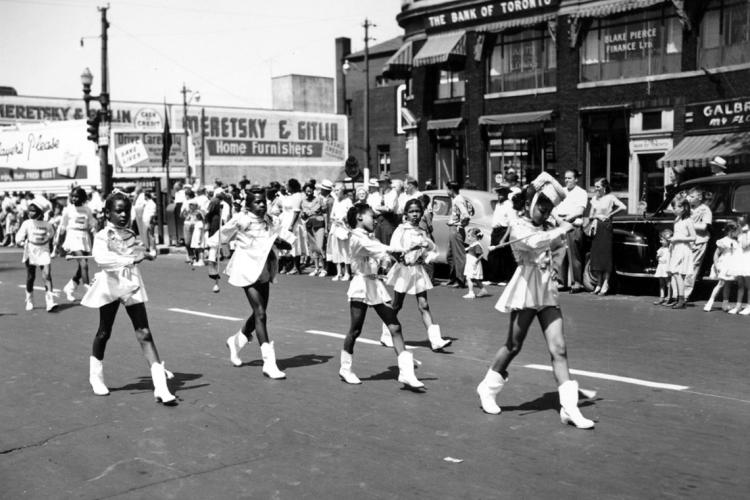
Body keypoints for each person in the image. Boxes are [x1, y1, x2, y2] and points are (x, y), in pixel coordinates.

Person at [476, 172, 595, 429]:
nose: (545, 212)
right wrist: (560, 230)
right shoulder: (518, 224)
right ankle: (487, 387)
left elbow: (558, 247)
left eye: (549, 207)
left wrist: (557, 257)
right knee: (514, 345)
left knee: (559, 348)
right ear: (530, 202)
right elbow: (531, 243)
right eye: (542, 206)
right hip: (526, 287)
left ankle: (569, 408)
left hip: (546, 288)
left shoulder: (549, 225)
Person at [80, 191, 176, 405]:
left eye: (126, 211)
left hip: (131, 283)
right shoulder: (102, 235)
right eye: (118, 211)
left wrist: (147, 254)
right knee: (104, 331)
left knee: (144, 332)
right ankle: (96, 376)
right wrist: (131, 258)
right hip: (110, 284)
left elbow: (137, 251)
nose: (123, 215)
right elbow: (102, 259)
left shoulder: (131, 234)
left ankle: (160, 386)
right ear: (107, 213)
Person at [338, 203, 423, 389]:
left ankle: (406, 373)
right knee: (355, 330)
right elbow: (377, 248)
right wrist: (398, 251)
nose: (375, 220)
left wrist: (391, 259)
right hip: (361, 285)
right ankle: (345, 368)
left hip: (376, 284)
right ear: (359, 217)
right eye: (371, 216)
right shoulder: (356, 238)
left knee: (394, 326)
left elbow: (380, 254)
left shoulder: (370, 237)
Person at [215, 186, 294, 378]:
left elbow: (277, 238)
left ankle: (236, 341)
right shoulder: (242, 220)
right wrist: (211, 264)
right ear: (248, 204)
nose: (261, 205)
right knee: (260, 313)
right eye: (257, 202)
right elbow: (218, 237)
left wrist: (282, 242)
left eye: (263, 202)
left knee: (259, 313)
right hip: (245, 268)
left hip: (263, 268)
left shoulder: (269, 219)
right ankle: (269, 362)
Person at [383, 198, 451, 351]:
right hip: (404, 271)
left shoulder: (422, 231)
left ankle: (435, 340)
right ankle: (386, 334)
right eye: (412, 211)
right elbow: (393, 250)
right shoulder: (401, 230)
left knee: (424, 305)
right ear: (406, 213)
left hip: (418, 271)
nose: (415, 214)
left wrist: (425, 256)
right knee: (397, 304)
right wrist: (404, 256)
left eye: (417, 211)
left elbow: (432, 250)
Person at [16, 198, 57, 312]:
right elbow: (18, 237)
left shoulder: (47, 224)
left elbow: (52, 233)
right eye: (29, 210)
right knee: (31, 276)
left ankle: (50, 301)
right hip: (31, 251)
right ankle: (29, 299)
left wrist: (47, 240)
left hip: (43, 250)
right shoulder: (27, 223)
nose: (30, 213)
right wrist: (22, 242)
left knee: (47, 275)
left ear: (40, 211)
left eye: (33, 211)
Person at [58, 187, 97, 302]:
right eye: (73, 196)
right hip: (73, 237)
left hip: (84, 237)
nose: (74, 198)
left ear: (82, 197)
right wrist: (58, 245)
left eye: (77, 196)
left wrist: (95, 232)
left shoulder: (87, 210)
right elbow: (62, 227)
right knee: (84, 264)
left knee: (82, 267)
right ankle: (88, 290)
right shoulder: (67, 210)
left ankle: (69, 288)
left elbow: (91, 223)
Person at [587, 178, 626, 295]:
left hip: (606, 227)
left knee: (605, 254)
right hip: (597, 226)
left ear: (604, 187)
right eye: (595, 186)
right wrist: (596, 216)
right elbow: (590, 215)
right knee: (597, 254)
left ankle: (606, 283)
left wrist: (609, 214)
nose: (596, 189)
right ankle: (598, 283)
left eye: (598, 186)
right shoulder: (594, 199)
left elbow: (623, 207)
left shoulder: (610, 198)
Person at [552, 169, 588, 293]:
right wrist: (558, 219)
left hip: (573, 225)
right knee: (560, 255)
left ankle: (576, 283)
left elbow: (580, 211)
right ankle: (561, 282)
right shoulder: (561, 192)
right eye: (566, 178)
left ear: (576, 179)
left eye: (570, 178)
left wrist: (567, 219)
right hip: (560, 225)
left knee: (574, 256)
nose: (567, 180)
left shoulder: (581, 193)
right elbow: (554, 208)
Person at [666, 197, 696, 309]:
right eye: (673, 207)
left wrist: (678, 239)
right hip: (676, 248)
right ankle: (679, 298)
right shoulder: (677, 219)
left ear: (684, 208)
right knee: (675, 273)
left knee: (676, 272)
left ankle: (681, 299)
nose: (674, 210)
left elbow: (693, 237)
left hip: (683, 248)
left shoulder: (688, 221)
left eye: (676, 207)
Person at [684, 187, 712, 301]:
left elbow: (704, 226)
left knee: (692, 268)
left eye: (691, 196)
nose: (688, 198)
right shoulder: (687, 208)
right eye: (688, 196)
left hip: (698, 241)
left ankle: (685, 294)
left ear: (699, 197)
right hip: (686, 241)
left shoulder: (705, 210)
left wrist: (688, 224)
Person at [704, 221, 739, 312]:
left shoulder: (736, 241)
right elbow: (716, 254)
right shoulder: (723, 241)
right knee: (721, 283)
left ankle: (725, 304)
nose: (738, 233)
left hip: (732, 265)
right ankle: (710, 302)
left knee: (728, 284)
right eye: (736, 231)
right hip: (724, 264)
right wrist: (716, 265)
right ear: (731, 231)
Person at [445, 181, 471, 288]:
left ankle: (460, 280)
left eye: (447, 189)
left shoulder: (458, 200)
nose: (446, 192)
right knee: (450, 255)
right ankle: (453, 278)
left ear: (451, 190)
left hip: (456, 230)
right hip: (453, 229)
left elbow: (466, 215)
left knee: (459, 256)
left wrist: (457, 223)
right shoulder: (456, 199)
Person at [487, 185, 516, 285]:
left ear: (506, 194)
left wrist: (504, 238)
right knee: (493, 255)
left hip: (504, 231)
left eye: (501, 193)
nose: (499, 195)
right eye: (498, 193)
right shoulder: (498, 204)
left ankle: (506, 278)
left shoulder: (509, 205)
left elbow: (511, 223)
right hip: (496, 231)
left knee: (505, 256)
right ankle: (494, 278)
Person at [327, 184, 352, 281]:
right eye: (335, 190)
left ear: (342, 191)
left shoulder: (348, 201)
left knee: (345, 250)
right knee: (336, 250)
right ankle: (338, 273)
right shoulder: (336, 201)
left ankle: (347, 273)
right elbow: (332, 215)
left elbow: (351, 214)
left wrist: (344, 219)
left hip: (344, 228)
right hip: (335, 227)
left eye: (338, 190)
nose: (336, 192)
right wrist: (334, 220)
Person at [300, 182, 326, 276]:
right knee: (313, 247)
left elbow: (323, 211)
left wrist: (326, 227)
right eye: (307, 190)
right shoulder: (303, 201)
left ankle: (323, 268)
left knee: (320, 246)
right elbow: (303, 215)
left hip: (319, 223)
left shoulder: (318, 200)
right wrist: (303, 215)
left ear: (313, 190)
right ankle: (316, 268)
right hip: (309, 225)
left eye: (310, 190)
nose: (309, 192)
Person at [279, 178, 304, 274]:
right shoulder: (289, 196)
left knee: (294, 245)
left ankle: (295, 267)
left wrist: (291, 225)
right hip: (284, 222)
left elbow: (296, 212)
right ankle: (286, 266)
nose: (286, 187)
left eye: (287, 185)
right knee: (285, 244)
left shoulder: (297, 196)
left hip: (293, 223)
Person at [726, 215, 750, 315]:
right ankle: (738, 306)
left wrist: (744, 232)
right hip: (740, 260)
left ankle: (749, 306)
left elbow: (745, 245)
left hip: (747, 260)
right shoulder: (740, 233)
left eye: (741, 223)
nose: (739, 225)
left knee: (748, 284)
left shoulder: (747, 233)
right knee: (740, 284)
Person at [368, 173, 399, 245]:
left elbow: (389, 208)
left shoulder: (393, 193)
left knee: (388, 243)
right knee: (378, 243)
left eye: (383, 182)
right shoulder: (377, 195)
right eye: (379, 183)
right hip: (378, 222)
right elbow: (374, 208)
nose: (380, 185)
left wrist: (379, 208)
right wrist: (380, 208)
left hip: (389, 221)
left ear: (388, 183)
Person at [463, 227, 490, 299]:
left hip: (473, 263)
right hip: (471, 263)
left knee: (469, 278)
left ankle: (471, 292)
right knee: (475, 279)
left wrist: (476, 262)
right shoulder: (473, 244)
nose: (467, 237)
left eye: (469, 236)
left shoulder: (477, 245)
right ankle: (483, 290)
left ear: (474, 237)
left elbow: (481, 255)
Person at [653, 229, 673, 305]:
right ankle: (661, 297)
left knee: (668, 283)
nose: (660, 241)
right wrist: (658, 256)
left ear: (668, 241)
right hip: (661, 267)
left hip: (667, 267)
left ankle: (669, 297)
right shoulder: (661, 249)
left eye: (662, 240)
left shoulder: (670, 249)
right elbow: (657, 258)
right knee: (661, 283)